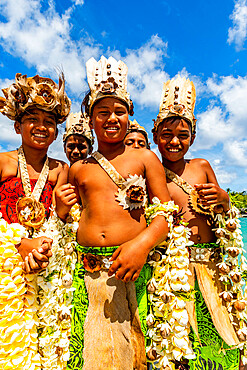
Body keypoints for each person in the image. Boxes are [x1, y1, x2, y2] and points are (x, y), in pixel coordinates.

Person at [55, 56, 172, 370]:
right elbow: (64, 222)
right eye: (102, 112)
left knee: (137, 349)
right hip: (87, 275)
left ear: (130, 113)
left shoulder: (145, 158)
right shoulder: (79, 168)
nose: (111, 118)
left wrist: (141, 245)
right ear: (90, 119)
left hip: (133, 268)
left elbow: (166, 214)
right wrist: (61, 208)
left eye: (119, 111)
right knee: (89, 351)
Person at [152, 76, 246, 370]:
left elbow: (222, 213)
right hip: (172, 273)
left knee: (223, 333)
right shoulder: (151, 172)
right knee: (179, 341)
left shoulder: (202, 166)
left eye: (183, 134)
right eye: (167, 134)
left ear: (192, 137)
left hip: (212, 267)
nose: (175, 141)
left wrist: (224, 200)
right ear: (156, 137)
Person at [0, 72, 71, 368]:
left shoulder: (60, 170)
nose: (41, 127)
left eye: (49, 122)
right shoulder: (3, 162)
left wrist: (62, 213)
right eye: (33, 119)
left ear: (56, 131)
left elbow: (64, 224)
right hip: (6, 268)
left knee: (47, 348)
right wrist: (19, 244)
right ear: (17, 125)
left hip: (46, 266)